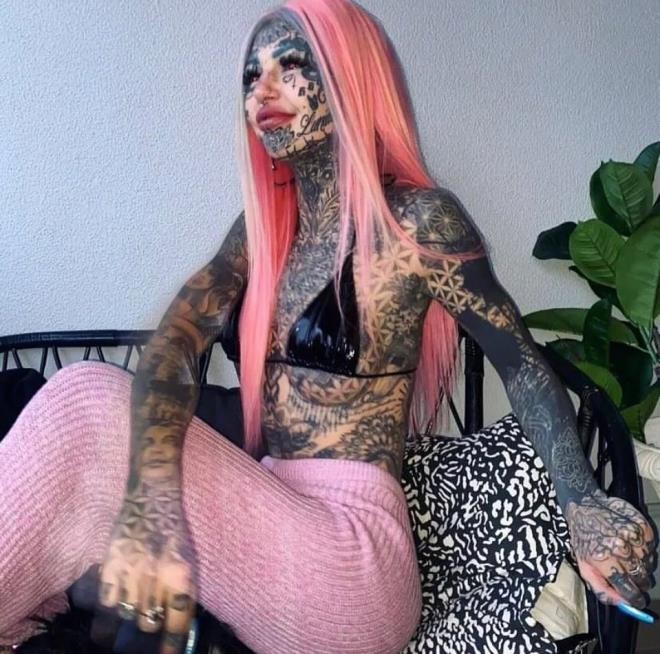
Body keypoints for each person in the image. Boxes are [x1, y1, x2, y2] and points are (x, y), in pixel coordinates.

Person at [0, 1, 656, 653]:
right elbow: (175, 341)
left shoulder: (419, 223)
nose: (264, 91)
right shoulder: (260, 233)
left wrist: (583, 503)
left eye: (291, 66)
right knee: (82, 522)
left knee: (87, 402)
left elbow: (520, 364)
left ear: (350, 76)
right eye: (251, 76)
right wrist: (154, 497)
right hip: (271, 520)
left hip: (350, 560)